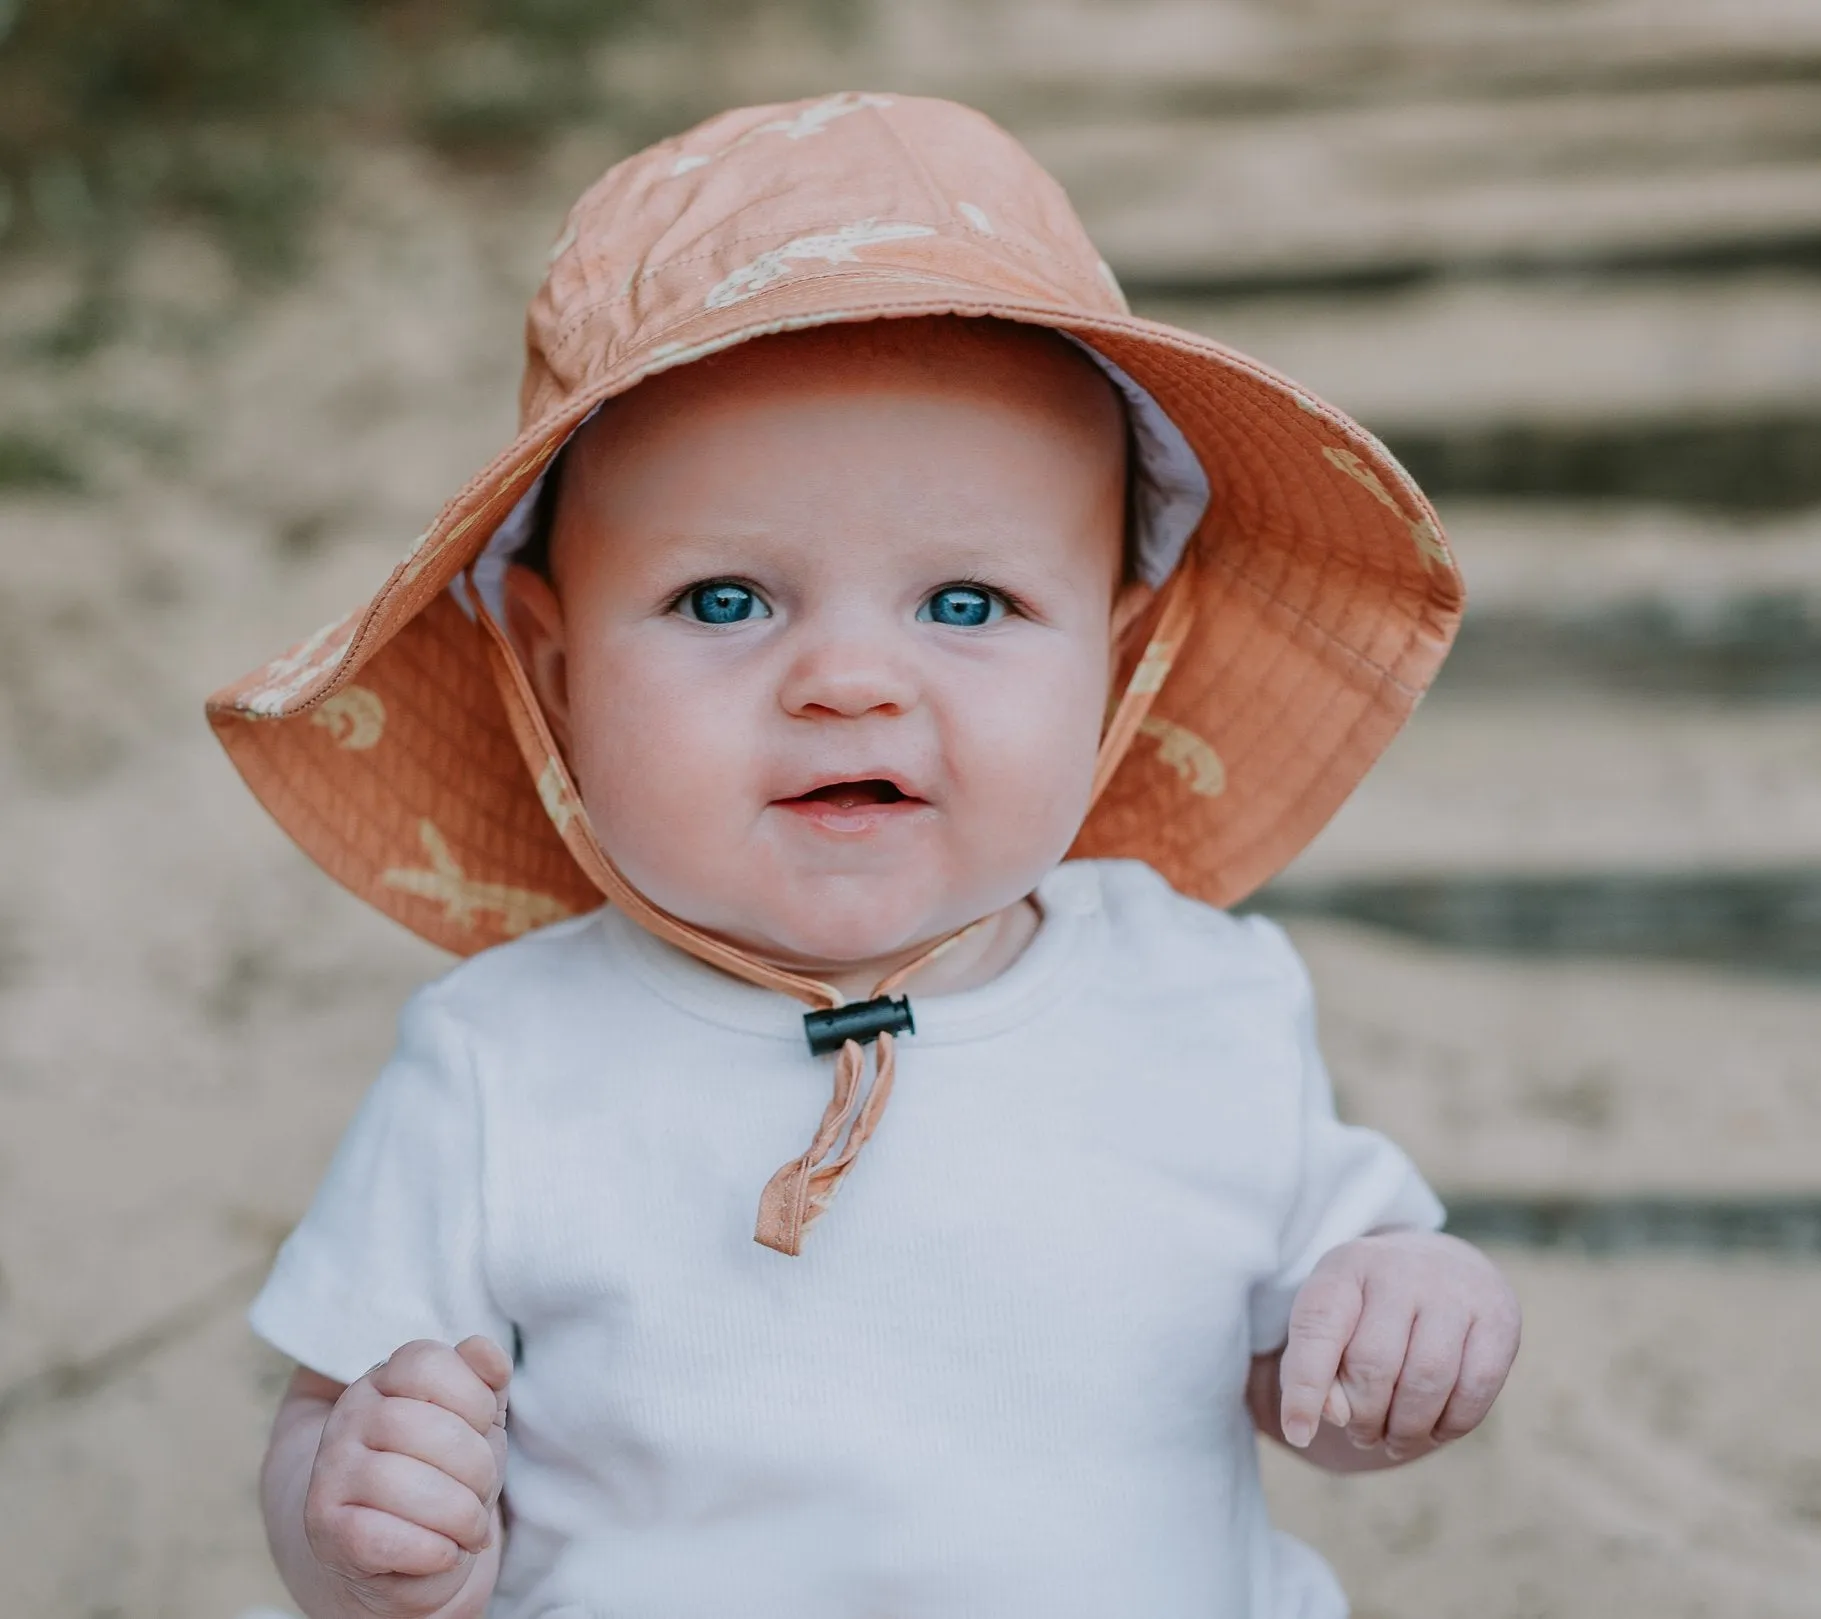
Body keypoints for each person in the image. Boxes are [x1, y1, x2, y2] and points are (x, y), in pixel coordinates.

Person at [211, 92, 1519, 1619]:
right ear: (556, 675)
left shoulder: (1203, 994)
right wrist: (358, 1512)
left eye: (964, 604)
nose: (848, 680)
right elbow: (328, 1424)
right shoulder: (499, 1059)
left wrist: (1406, 1326)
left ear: (1120, 655)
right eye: (724, 600)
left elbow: (1307, 1386)